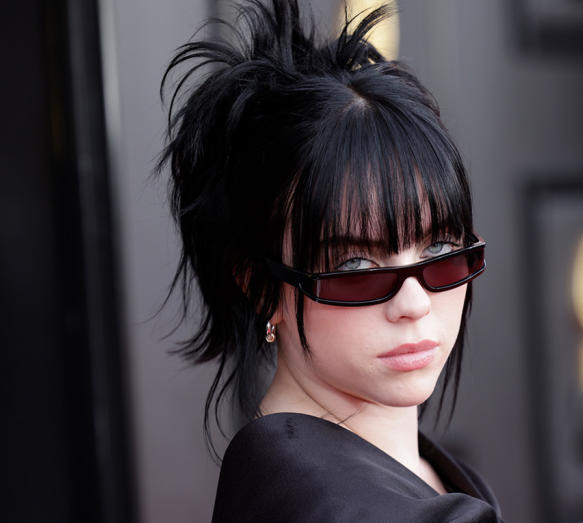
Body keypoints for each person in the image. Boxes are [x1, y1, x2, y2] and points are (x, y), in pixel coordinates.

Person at [158, 1, 502, 520]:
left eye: (439, 250)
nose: (413, 301)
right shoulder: (320, 503)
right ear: (260, 287)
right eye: (357, 267)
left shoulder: (379, 467)